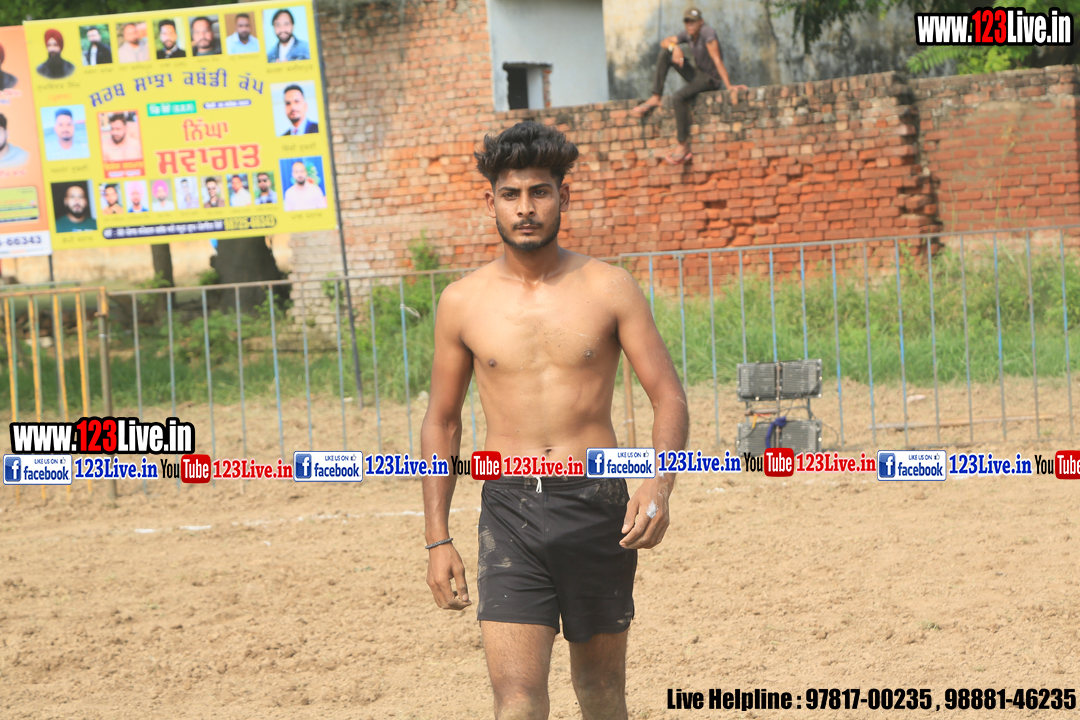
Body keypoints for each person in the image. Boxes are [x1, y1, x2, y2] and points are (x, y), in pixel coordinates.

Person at [420, 122, 688, 720]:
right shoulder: (462, 302)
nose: (526, 208)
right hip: (509, 511)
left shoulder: (609, 287)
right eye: (511, 195)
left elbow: (668, 395)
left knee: (600, 693)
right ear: (490, 201)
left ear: (563, 196)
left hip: (597, 505)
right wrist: (437, 538)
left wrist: (658, 483)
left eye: (540, 192)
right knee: (516, 700)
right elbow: (442, 423)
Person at [630, 7, 747, 165]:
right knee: (666, 53)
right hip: (697, 75)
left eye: (693, 21)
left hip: (710, 79)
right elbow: (665, 42)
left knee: (678, 97)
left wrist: (729, 85)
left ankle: (682, 144)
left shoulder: (707, 33)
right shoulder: (687, 35)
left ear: (701, 22)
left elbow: (717, 60)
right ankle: (656, 96)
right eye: (687, 21)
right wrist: (675, 47)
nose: (690, 24)